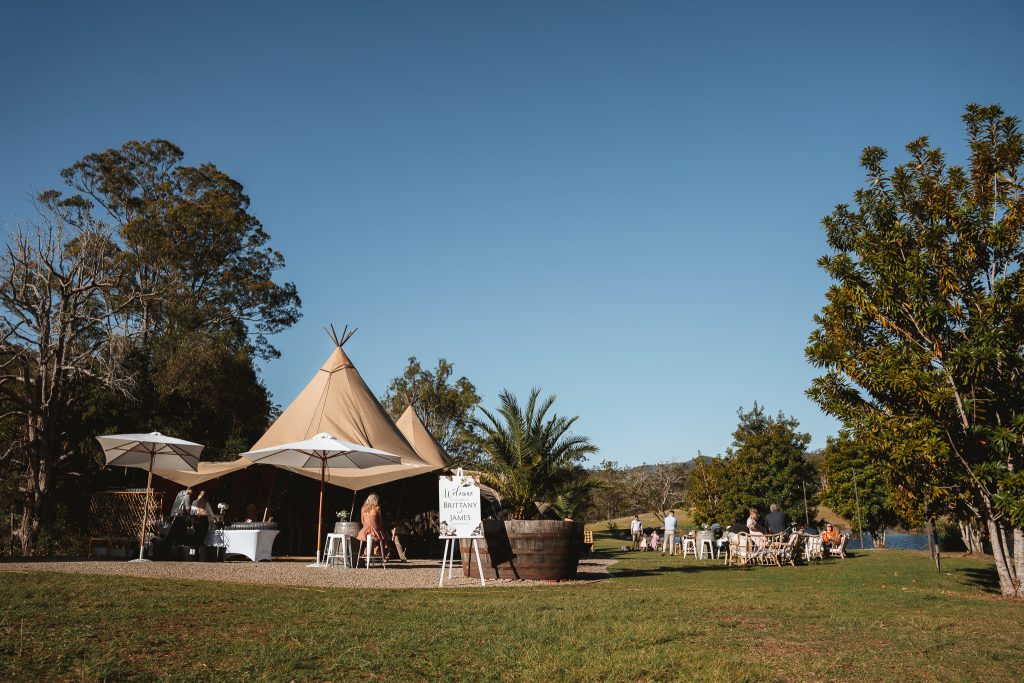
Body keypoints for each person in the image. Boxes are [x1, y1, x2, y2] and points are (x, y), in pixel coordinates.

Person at [356, 492, 389, 560]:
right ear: (376, 500)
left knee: (370, 536)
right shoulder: (378, 508)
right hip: (376, 530)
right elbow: (380, 521)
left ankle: (367, 551)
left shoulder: (363, 508)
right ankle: (383, 555)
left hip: (365, 530)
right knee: (383, 536)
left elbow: (362, 521)